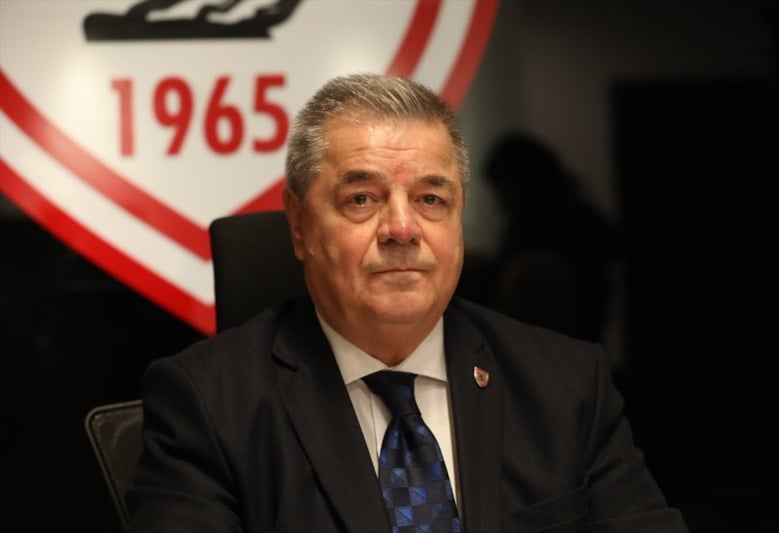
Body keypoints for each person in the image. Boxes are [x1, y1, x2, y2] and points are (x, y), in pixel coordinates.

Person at [126, 73, 688, 532]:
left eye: (431, 199)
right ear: (298, 224)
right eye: (361, 199)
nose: (402, 228)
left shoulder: (566, 385)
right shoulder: (208, 402)